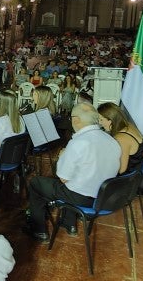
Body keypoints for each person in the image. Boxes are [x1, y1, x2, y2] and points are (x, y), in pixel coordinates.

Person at [25, 102, 122, 241]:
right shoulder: (111, 140)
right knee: (76, 181)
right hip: (104, 197)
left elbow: (63, 178)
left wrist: (63, 157)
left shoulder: (78, 143)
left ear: (76, 120)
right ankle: (68, 224)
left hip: (83, 198)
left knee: (37, 183)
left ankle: (39, 231)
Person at [97, 102, 143, 175]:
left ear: (110, 120)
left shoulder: (121, 138)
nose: (99, 123)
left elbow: (121, 170)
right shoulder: (128, 125)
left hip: (127, 179)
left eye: (101, 120)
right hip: (136, 173)